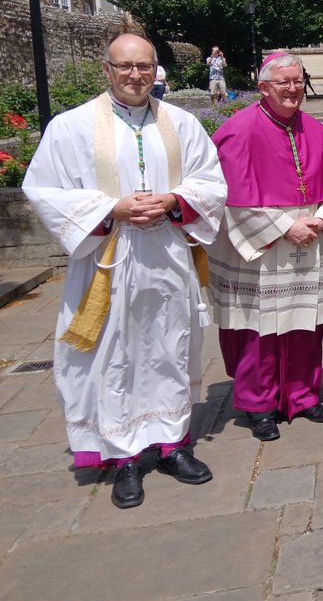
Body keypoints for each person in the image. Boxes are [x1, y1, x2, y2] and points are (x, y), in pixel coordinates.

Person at [23, 32, 227, 510]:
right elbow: (44, 190)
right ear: (107, 70)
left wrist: (175, 199)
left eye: (144, 66)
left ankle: (173, 444)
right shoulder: (69, 128)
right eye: (125, 66)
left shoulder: (181, 123)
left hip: (167, 259)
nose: (135, 75)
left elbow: (211, 181)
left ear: (155, 70)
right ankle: (124, 457)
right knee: (112, 357)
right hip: (107, 261)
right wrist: (111, 207)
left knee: (170, 347)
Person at [208, 52, 323, 441]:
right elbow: (230, 200)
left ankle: (303, 395)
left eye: (298, 81)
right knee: (260, 328)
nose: (293, 89)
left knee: (307, 323)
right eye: (283, 82)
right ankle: (260, 404)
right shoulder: (238, 130)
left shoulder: (315, 130)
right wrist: (286, 226)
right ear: (263, 87)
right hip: (263, 249)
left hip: (310, 242)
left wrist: (321, 220)